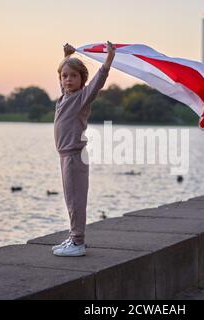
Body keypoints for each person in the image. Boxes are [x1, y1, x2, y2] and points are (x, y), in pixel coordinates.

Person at [52, 41, 116, 256]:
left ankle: (78, 242)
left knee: (76, 200)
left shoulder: (81, 98)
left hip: (75, 156)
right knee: (70, 199)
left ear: (82, 79)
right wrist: (66, 56)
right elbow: (63, 72)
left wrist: (109, 59)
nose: (68, 80)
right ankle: (73, 237)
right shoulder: (64, 97)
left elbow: (98, 82)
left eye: (73, 76)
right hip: (64, 156)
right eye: (64, 76)